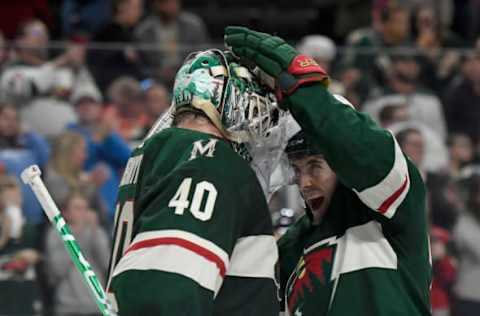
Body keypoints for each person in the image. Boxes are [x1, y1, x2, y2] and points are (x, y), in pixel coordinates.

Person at [225, 26, 431, 316]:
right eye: (296, 170)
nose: (304, 183)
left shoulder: (392, 208)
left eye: (315, 166)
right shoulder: (291, 249)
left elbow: (359, 147)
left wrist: (304, 86)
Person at [106, 49, 282, 315]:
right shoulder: (212, 161)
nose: (256, 118)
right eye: (250, 101)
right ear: (225, 100)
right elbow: (168, 284)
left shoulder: (152, 152)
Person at [45, 191, 110, 316]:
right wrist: (77, 233)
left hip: (96, 305)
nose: (83, 212)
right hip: (68, 307)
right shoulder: (56, 234)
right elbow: (57, 269)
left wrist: (95, 230)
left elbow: (106, 263)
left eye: (85, 208)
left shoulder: (96, 231)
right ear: (65, 213)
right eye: (77, 208)